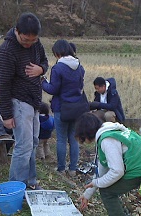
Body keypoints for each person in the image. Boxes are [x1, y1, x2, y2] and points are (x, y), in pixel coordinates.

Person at [0, 12, 48, 190]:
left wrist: (41, 69)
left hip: (34, 101)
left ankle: (31, 182)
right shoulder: (6, 50)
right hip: (18, 101)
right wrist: (6, 114)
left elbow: (44, 60)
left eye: (32, 41)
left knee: (33, 143)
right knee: (23, 146)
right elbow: (3, 83)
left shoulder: (36, 43)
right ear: (17, 31)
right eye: (25, 40)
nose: (29, 44)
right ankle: (16, 188)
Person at [75, 113, 141, 216]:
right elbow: (102, 169)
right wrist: (87, 194)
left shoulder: (107, 140)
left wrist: (97, 182)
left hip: (140, 169)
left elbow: (117, 171)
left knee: (107, 192)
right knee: (108, 185)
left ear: (85, 133)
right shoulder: (109, 131)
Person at [42, 39, 84, 177]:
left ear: (58, 52)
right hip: (77, 108)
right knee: (73, 138)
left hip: (62, 107)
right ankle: (72, 169)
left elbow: (53, 89)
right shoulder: (79, 66)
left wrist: (43, 82)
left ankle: (61, 169)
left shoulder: (57, 68)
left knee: (61, 139)